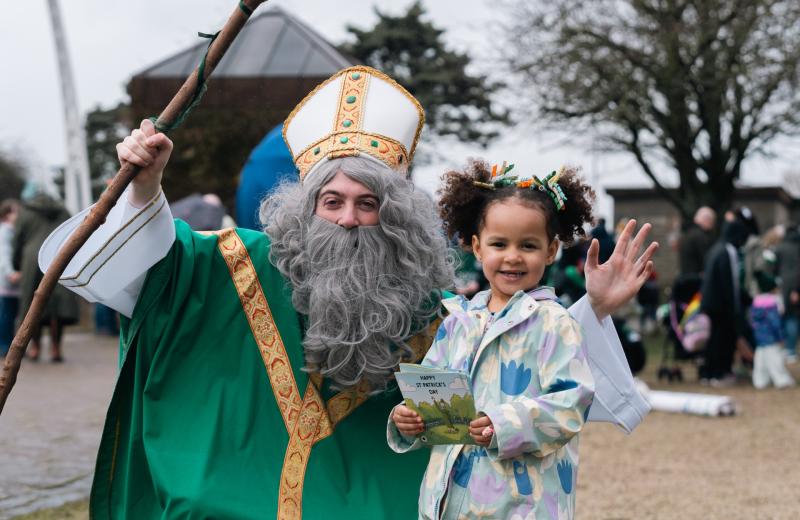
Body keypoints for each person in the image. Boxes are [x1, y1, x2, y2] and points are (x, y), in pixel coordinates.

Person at [39, 66, 655, 519]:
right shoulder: (226, 266)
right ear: (304, 207)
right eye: (331, 202)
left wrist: (592, 308)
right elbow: (117, 273)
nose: (349, 218)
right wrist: (145, 189)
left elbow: (516, 369)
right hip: (228, 503)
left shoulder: (436, 313)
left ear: (398, 215)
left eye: (369, 203)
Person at [389, 162, 597, 518]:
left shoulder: (552, 322)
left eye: (528, 245)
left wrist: (504, 424)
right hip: (447, 499)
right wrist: (407, 418)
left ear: (550, 251)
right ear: (477, 247)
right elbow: (430, 390)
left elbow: (571, 403)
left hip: (520, 505)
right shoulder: (457, 321)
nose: (512, 256)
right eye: (499, 243)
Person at [13, 182, 78, 362]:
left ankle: (35, 348)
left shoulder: (25, 212)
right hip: (58, 258)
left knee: (32, 305)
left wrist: (16, 264)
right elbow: (76, 233)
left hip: (31, 261)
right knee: (57, 306)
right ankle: (56, 349)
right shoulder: (63, 211)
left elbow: (17, 240)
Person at [699, 215, 750, 385]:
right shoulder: (728, 251)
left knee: (713, 340)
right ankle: (720, 373)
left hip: (710, 302)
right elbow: (730, 283)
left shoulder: (716, 248)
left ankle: (709, 373)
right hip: (721, 305)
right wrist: (735, 308)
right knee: (723, 340)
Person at [748, 272, 795, 389]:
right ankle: (782, 380)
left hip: (759, 337)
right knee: (775, 359)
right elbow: (775, 323)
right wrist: (780, 337)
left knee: (760, 360)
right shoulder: (773, 303)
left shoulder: (756, 302)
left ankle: (760, 381)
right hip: (772, 338)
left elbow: (752, 322)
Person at [774, 223, 800, 363]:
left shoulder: (781, 248)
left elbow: (775, 269)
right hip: (794, 288)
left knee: (790, 319)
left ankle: (789, 350)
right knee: (793, 319)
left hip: (786, 288)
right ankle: (790, 349)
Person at [0, 199, 21, 356]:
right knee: (7, 315)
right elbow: (4, 254)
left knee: (10, 315)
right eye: (15, 212)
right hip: (7, 281)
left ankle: (7, 345)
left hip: (11, 282)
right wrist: (10, 273)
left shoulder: (11, 230)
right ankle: (5, 346)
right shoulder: (6, 231)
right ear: (7, 215)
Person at [679, 206, 716, 276]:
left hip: (686, 278)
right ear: (707, 219)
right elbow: (707, 260)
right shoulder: (701, 236)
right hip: (696, 280)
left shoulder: (688, 233)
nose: (712, 226)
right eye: (712, 222)